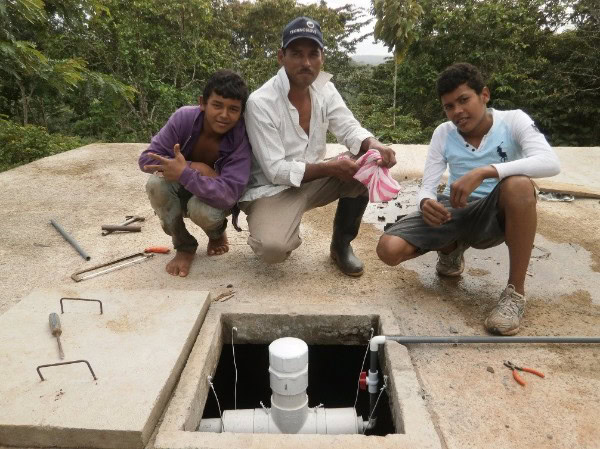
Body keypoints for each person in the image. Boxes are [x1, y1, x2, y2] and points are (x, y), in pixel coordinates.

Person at [376, 63, 561, 335]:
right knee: (388, 249)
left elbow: (550, 163)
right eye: (449, 106)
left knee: (519, 185)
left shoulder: (513, 121)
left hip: (496, 213)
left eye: (464, 100)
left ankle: (515, 295)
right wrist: (426, 203)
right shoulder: (443, 133)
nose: (457, 112)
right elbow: (427, 185)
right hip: (457, 209)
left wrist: (486, 171)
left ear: (484, 95)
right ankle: (451, 250)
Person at [240, 16, 396, 277]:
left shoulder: (324, 87)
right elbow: (276, 171)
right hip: (272, 189)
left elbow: (348, 127)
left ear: (322, 57)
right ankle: (277, 224)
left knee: (367, 161)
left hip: (314, 179)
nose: (306, 63)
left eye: (313, 54)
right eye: (297, 54)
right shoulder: (260, 102)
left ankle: (341, 245)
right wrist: (331, 168)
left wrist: (375, 144)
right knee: (273, 249)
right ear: (281, 56)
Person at [139, 70, 251, 277]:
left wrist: (185, 173)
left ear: (241, 112)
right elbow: (146, 160)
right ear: (202, 103)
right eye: (217, 105)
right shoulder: (184, 119)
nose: (224, 115)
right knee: (155, 185)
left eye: (233, 109)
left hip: (214, 198)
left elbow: (229, 193)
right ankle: (184, 246)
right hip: (184, 186)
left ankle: (216, 234)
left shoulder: (241, 138)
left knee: (202, 211)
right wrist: (195, 167)